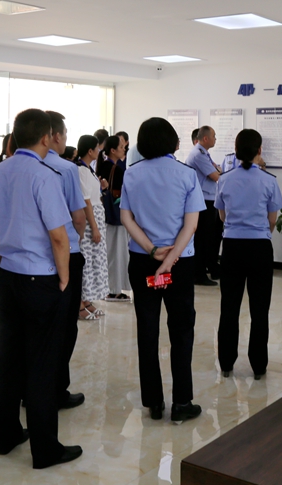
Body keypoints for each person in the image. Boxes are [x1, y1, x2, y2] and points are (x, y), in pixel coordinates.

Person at [0, 108, 83, 469]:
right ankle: (45, 450)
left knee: (7, 357)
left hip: (8, 276)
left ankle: (5, 435)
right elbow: (59, 236)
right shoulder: (45, 175)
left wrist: (1, 263)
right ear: (46, 137)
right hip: (41, 278)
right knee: (42, 363)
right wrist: (64, 277)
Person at [120, 117, 205, 422]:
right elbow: (191, 225)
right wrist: (168, 262)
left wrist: (152, 251)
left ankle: (153, 402)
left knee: (147, 328)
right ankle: (182, 402)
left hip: (144, 261)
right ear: (173, 143)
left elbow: (127, 219)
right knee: (181, 330)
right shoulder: (186, 174)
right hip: (179, 263)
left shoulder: (131, 173)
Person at [214, 129, 282, 380]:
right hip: (260, 249)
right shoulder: (269, 180)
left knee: (229, 307)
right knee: (260, 309)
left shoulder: (224, 179)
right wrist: (260, 232)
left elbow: (222, 216)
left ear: (236, 150)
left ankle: (226, 363)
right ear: (259, 150)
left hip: (232, 247)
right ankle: (259, 365)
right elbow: (272, 219)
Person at [43, 111, 89, 410]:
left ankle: (31, 387)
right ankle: (56, 389)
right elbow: (78, 216)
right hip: (65, 253)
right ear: (56, 136)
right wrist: (77, 239)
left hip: (28, 260)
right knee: (63, 326)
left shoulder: (7, 167)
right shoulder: (65, 168)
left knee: (36, 328)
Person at [76, 135, 109, 319]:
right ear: (90, 151)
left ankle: (87, 299)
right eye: (97, 148)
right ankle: (80, 303)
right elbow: (86, 201)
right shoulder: (80, 170)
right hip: (90, 220)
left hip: (96, 215)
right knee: (87, 261)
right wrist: (94, 227)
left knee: (95, 260)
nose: (99, 151)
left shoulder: (89, 169)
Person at [186, 126, 222, 286]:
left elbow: (219, 170)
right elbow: (216, 175)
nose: (215, 139)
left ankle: (206, 269)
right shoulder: (198, 154)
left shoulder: (204, 153)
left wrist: (219, 171)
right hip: (202, 201)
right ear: (205, 138)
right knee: (202, 239)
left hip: (208, 200)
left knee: (208, 238)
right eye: (214, 136)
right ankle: (198, 274)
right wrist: (218, 172)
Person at [98, 135, 131, 301]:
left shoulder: (102, 166)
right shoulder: (115, 170)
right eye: (121, 146)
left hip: (106, 214)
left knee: (111, 252)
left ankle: (112, 287)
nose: (124, 149)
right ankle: (113, 289)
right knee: (116, 252)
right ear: (112, 150)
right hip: (116, 216)